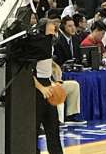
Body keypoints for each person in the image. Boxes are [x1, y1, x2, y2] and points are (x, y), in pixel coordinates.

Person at [33, 18, 63, 154]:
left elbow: (46, 67)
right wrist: (41, 87)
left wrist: (53, 81)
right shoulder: (36, 45)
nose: (54, 28)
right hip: (36, 88)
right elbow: (27, 72)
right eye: (51, 26)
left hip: (47, 84)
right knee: (33, 128)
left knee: (53, 127)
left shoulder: (50, 43)